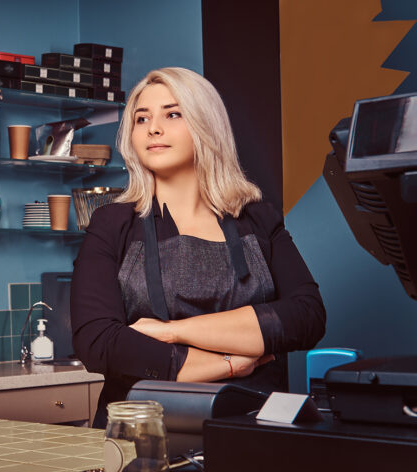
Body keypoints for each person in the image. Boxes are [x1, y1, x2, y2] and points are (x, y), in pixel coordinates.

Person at [71, 67, 326, 429]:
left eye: (172, 114)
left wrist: (170, 332)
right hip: (141, 436)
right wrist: (234, 363)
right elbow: (99, 342)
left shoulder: (257, 220)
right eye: (142, 118)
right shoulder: (112, 224)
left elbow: (306, 317)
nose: (153, 128)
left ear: (207, 126)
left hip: (255, 431)